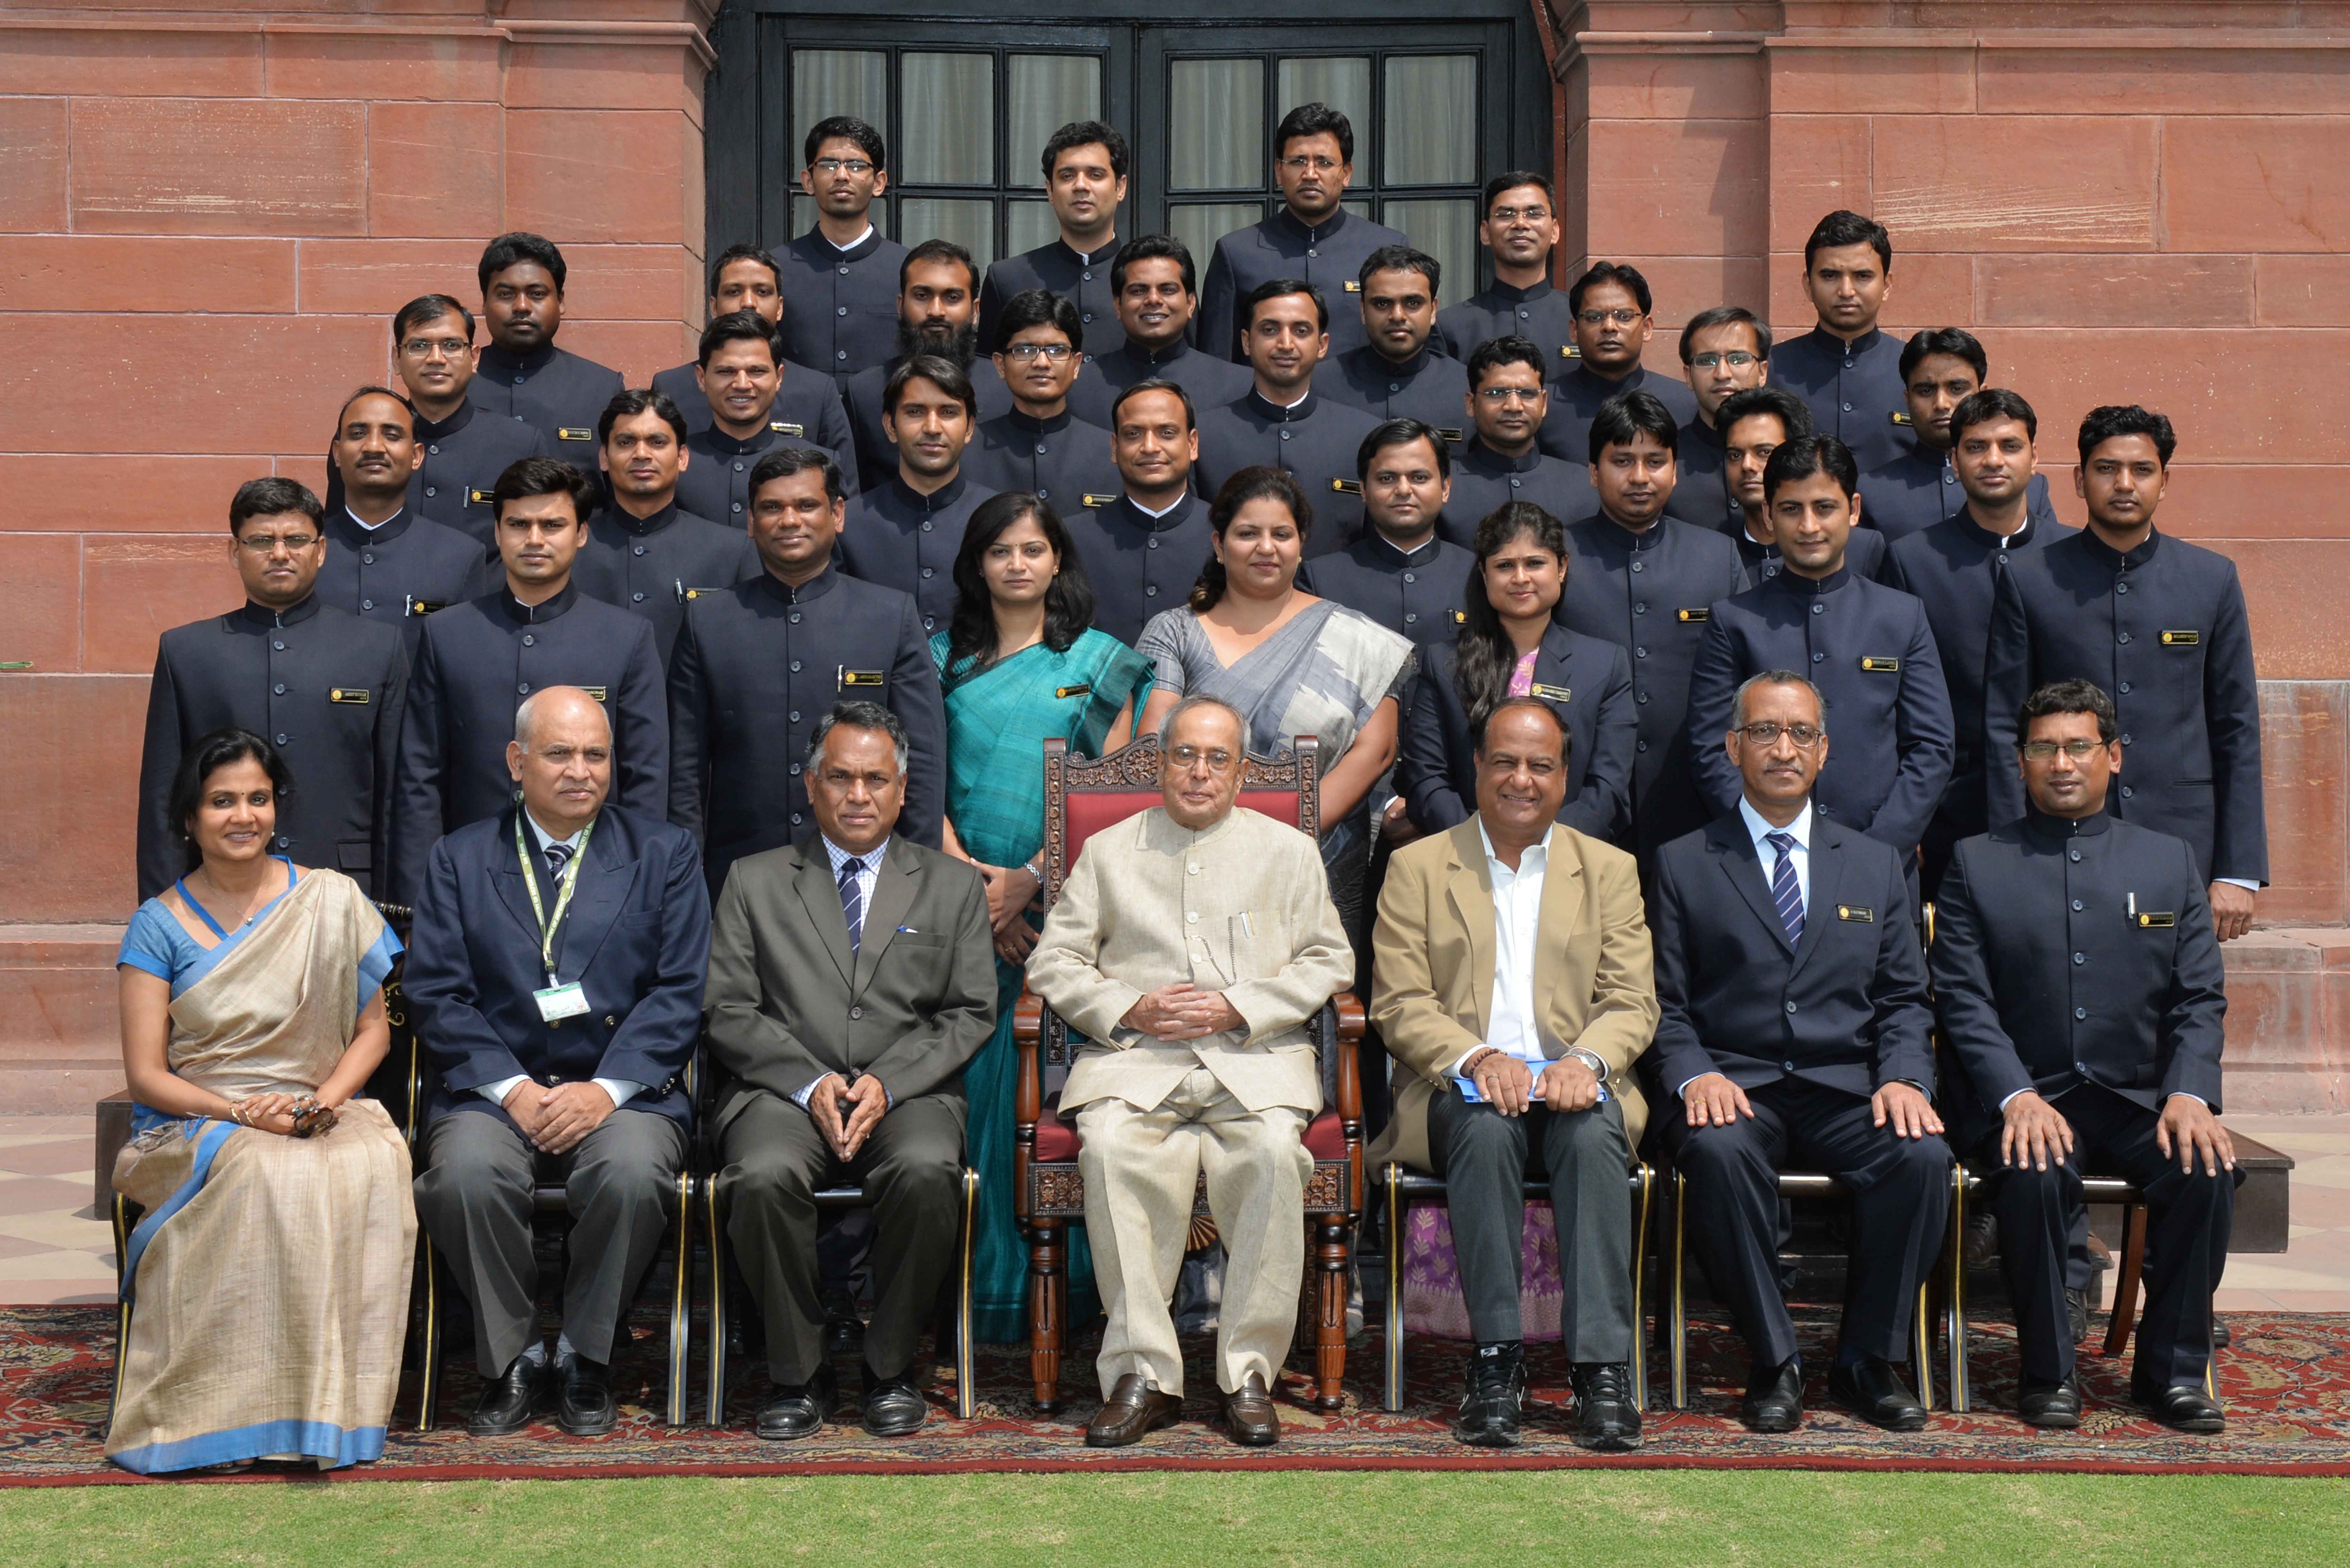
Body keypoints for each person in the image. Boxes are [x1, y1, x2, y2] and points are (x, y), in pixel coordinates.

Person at [1025, 695, 1355, 1447]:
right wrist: (1130, 1006)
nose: (1199, 772)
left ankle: (1247, 1373)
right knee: (1108, 1149)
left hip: (1255, 1062)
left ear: (1241, 772)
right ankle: (1143, 1373)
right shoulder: (1109, 850)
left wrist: (1238, 1005)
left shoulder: (1287, 850)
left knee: (1273, 1154)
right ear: (1161, 762)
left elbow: (1329, 957)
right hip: (1137, 1063)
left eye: (1217, 758)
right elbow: (1054, 960)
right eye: (1184, 755)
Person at [1649, 671, 1948, 1433]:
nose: (1783, 748)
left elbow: (1904, 998)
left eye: (1800, 734)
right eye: (1763, 731)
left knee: (1919, 1158)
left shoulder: (1876, 862)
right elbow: (1664, 1003)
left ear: (1823, 750)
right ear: (1732, 746)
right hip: (1734, 1082)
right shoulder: (1683, 861)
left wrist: (1907, 1077)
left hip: (1845, 1084)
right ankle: (1773, 1357)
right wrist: (1693, 1072)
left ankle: (1864, 1359)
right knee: (1714, 1154)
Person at [1935, 679, 2235, 1433]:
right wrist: (2012, 1094)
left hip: (2136, 1098)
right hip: (2024, 1093)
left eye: (2076, 746)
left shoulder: (2168, 862)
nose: (2060, 763)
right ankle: (2048, 1370)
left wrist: (2189, 1092)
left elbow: (2197, 997)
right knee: (2034, 1166)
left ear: (2113, 755)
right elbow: (1963, 1002)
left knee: (2204, 1166)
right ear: (2021, 760)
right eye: (2042, 747)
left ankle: (2170, 1372)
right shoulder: (1976, 862)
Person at [406, 687, 706, 1438]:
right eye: (560, 752)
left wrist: (605, 1091)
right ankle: (508, 1357)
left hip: (623, 1088)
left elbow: (682, 989)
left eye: (595, 754)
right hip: (493, 1087)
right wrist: (510, 1090)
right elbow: (436, 991)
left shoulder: (663, 853)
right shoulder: (460, 856)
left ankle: (583, 1354)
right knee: (464, 1175)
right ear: (517, 761)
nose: (580, 770)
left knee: (634, 1174)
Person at [108, 729, 410, 1474]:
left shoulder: (329, 899)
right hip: (196, 1118)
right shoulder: (157, 924)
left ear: (276, 807)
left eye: (257, 798)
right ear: (190, 817)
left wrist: (320, 1105)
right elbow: (147, 1073)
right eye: (222, 801)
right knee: (263, 1170)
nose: (242, 815)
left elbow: (374, 1031)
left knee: (372, 1162)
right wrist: (244, 1112)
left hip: (320, 1104)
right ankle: (215, 1411)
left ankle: (325, 1412)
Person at [1370, 698, 1656, 1451]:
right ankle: (1494, 1365)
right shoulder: (1418, 867)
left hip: (1571, 1086)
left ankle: (1601, 1370)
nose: (1520, 779)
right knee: (1485, 1126)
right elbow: (1398, 1002)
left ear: (1564, 776)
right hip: (1456, 1092)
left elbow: (1631, 999)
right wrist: (1476, 1057)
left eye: (1539, 765)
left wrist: (1584, 1061)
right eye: (1504, 761)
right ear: (1476, 768)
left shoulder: (1610, 870)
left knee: (1592, 1128)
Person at [705, 702, 995, 1439]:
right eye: (840, 777)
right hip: (782, 1089)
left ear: (902, 788)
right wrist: (809, 1082)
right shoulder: (754, 879)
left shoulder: (952, 886)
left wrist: (887, 1082)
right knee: (763, 1175)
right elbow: (730, 1010)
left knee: (931, 1170)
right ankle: (797, 1372)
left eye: (875, 778)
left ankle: (888, 1365)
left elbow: (967, 1010)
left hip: (908, 1091)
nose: (857, 794)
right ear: (811, 785)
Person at [930, 494, 1154, 1345]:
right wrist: (973, 893)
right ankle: (978, 1300)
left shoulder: (1098, 664)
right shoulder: (939, 659)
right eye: (1001, 551)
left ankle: (1071, 1302)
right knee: (967, 1101)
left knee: (1056, 1108)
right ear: (977, 563)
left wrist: (1028, 882)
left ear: (1058, 559)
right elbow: (920, 778)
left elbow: (1119, 791)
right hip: (953, 917)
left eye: (1034, 549)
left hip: (1065, 923)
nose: (1018, 565)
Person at [1984, 405, 2266, 936]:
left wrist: (2239, 869)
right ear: (2079, 479)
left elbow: (2237, 728)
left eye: (2142, 470)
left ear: (2164, 482)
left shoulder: (2211, 580)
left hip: (2184, 843)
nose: (2124, 483)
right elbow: (2004, 723)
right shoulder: (2029, 579)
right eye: (2106, 468)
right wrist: (2007, 845)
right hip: (2055, 837)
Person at [1135, 467, 1414, 948]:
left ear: (1301, 544)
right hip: (1187, 861)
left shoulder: (1358, 640)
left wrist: (1276, 845)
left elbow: (1377, 752)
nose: (1267, 548)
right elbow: (1152, 743)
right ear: (1220, 545)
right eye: (1248, 534)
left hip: (1312, 863)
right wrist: (1219, 845)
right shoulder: (1175, 631)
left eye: (1281, 534)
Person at [394, 457, 668, 905]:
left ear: (581, 534)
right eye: (519, 524)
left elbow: (646, 778)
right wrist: (422, 896)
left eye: (553, 525)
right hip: (469, 883)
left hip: (595, 884)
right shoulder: (448, 634)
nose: (535, 540)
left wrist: (635, 887)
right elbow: (420, 776)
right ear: (498, 533)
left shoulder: (627, 637)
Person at [668, 447, 946, 889]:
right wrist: (686, 881)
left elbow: (923, 761)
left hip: (867, 877)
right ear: (750, 522)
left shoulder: (890, 616)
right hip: (740, 876)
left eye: (806, 506)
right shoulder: (709, 621)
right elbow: (686, 770)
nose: (790, 520)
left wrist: (919, 878)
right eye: (772, 508)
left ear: (837, 514)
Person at [1687, 436, 1953, 868]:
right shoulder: (1733, 621)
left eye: (1825, 508)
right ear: (1769, 515)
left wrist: (1880, 849)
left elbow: (1932, 747)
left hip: (1880, 863)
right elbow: (1712, 748)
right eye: (1792, 509)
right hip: (1765, 864)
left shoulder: (1902, 616)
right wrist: (1771, 837)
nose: (1809, 526)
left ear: (1854, 509)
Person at [139, 479, 408, 901]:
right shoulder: (187, 652)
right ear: (235, 552)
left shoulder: (377, 648)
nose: (279, 553)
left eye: (296, 539)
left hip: (344, 891)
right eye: (261, 540)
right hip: (216, 896)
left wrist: (402, 909)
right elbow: (163, 798)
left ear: (320, 551)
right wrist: (161, 914)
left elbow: (399, 793)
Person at [1882, 389, 2076, 895]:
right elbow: (1894, 701)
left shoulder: (2075, 557)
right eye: (1975, 447)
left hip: (2063, 801)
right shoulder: (1912, 560)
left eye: (2010, 446)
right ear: (1954, 460)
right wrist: (1910, 822)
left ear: (2035, 457)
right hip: (1949, 807)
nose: (1993, 460)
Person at [1556, 392, 1748, 866]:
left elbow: (1747, 675)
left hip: (1693, 795)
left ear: (1676, 471)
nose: (1640, 477)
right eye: (1622, 461)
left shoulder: (1717, 556)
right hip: (1579, 798)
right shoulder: (1557, 555)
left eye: (1655, 461)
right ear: (1594, 472)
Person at [1399, 503, 1634, 844]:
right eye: (1505, 566)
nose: (1520, 578)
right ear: (1484, 573)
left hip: (1568, 864)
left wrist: (1545, 852)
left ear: (1562, 568)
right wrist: (1483, 849)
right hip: (1465, 863)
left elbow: (1608, 789)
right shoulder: (1444, 662)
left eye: (1535, 563)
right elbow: (1427, 782)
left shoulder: (1605, 665)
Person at [1197, 102, 1408, 363]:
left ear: (1346, 174)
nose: (1310, 174)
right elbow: (1216, 361)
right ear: (1278, 171)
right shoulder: (1237, 253)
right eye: (1298, 161)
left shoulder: (1386, 249)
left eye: (1324, 162)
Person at [576, 390, 758, 668]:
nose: (641, 454)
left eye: (657, 442)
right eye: (625, 442)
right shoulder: (572, 546)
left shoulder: (732, 552)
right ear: (604, 457)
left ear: (683, 457)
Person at [1194, 282, 1379, 553]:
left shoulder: (1364, 435)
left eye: (1301, 331)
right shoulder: (1205, 435)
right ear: (1247, 342)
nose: (1285, 344)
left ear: (1322, 345)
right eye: (1270, 330)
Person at [317, 385, 494, 649]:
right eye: (358, 434)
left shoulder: (461, 557)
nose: (374, 447)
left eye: (392, 435)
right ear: (338, 453)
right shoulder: (301, 549)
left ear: (416, 456)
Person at [838, 356, 997, 636]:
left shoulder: (1001, 520)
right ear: (890, 426)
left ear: (970, 428)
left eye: (948, 412)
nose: (932, 428)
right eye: (915, 412)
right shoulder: (847, 524)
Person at [843, 241, 1015, 493]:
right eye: (922, 296)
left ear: (976, 311)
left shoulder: (1008, 387)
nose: (936, 311)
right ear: (900, 306)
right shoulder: (864, 392)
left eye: (952, 298)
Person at [381, 293, 549, 545]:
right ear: (397, 359)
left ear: (475, 358)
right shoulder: (367, 444)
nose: (436, 358)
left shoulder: (520, 444)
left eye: (451, 345)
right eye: (419, 346)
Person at [1864, 328, 2060, 541]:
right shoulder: (1872, 494)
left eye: (1957, 388)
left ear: (1981, 393)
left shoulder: (2030, 487)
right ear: (1908, 399)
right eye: (1926, 391)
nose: (1941, 404)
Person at [1065, 380, 1217, 647]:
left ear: (1192, 444)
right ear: (1115, 448)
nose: (1150, 447)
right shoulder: (1072, 538)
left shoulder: (1225, 534)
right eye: (1133, 434)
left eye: (1167, 433)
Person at [1299, 419, 1475, 649]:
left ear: (1445, 489)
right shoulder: (1319, 581)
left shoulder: (1479, 575)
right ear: (1363, 490)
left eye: (1419, 478)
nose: (1403, 490)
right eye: (1387, 479)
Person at [676, 312, 860, 523]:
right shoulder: (673, 463)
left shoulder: (820, 464)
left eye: (757, 371)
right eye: (726, 372)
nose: (742, 384)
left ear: (779, 378)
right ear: (701, 378)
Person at [1770, 211, 1913, 476]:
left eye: (1862, 276)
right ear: (1808, 284)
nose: (1846, 291)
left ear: (1887, 286)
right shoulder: (1771, 370)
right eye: (1830, 276)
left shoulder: (1916, 370)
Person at [979, 121, 1131, 359]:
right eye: (1068, 176)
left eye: (1096, 175)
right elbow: (990, 373)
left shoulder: (1154, 280)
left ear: (1120, 187)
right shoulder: (1007, 279)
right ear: (1050, 190)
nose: (1081, 186)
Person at [1066, 236, 1252, 428]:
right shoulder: (1077, 386)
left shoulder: (1239, 387)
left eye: (1168, 290)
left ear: (1190, 304)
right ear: (1118, 306)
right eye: (1138, 291)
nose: (1154, 300)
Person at [777, 117, 909, 381]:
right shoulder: (775, 268)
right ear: (808, 181)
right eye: (828, 165)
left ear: (879, 183)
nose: (841, 175)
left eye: (857, 166)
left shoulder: (909, 269)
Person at [962, 289, 1119, 509]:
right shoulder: (965, 451)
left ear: (1076, 365)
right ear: (1000, 365)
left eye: (1056, 350)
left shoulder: (1112, 453)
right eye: (1025, 350)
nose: (1042, 363)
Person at [468, 232, 625, 451]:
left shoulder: (602, 388)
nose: (522, 306)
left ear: (560, 301)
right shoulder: (456, 381)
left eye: (537, 294)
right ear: (485, 303)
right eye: (505, 294)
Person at [1537, 263, 1699, 470]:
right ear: (1575, 330)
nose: (1610, 327)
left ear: (1647, 328)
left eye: (1624, 317)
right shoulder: (1542, 407)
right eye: (1595, 317)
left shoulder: (1687, 405)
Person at [1314, 247, 1471, 440]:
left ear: (1433, 311)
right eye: (1382, 304)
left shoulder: (1467, 388)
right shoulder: (1320, 386)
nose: (1397, 316)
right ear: (1363, 310)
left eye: (1413, 303)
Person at [1444, 338, 1594, 539]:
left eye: (1527, 393)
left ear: (1544, 403)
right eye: (1497, 393)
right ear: (1471, 404)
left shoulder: (1583, 486)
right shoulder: (1442, 487)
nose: (1514, 406)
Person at [1435, 173, 1579, 363]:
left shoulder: (1581, 318)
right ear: (1485, 232)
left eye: (1534, 214)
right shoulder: (1451, 327)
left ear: (1554, 231)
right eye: (1506, 215)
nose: (1520, 224)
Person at [651, 244, 792, 435]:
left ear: (780, 308)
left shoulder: (818, 392)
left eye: (763, 292)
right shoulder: (671, 387)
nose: (749, 303)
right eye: (734, 292)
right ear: (714, 307)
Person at [1664, 306, 1772, 533]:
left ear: (1763, 372)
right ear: (1688, 375)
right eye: (1707, 361)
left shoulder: (1792, 452)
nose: (1723, 374)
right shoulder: (1664, 460)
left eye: (1738, 359)